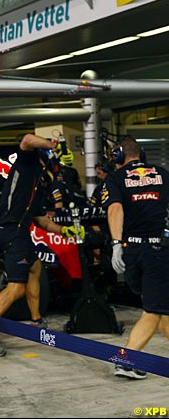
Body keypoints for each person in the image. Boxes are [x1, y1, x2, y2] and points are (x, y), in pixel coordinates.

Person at [0, 134, 83, 357]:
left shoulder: (39, 182)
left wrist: (65, 231)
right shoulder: (27, 163)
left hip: (19, 229)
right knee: (16, 288)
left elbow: (39, 219)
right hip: (11, 229)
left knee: (35, 267)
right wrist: (54, 144)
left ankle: (36, 321)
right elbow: (26, 139)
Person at [102, 137, 169, 380]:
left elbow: (114, 208)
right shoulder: (162, 173)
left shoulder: (116, 178)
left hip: (131, 252)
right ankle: (126, 360)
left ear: (118, 156)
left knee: (159, 305)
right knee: (153, 310)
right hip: (157, 251)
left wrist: (117, 245)